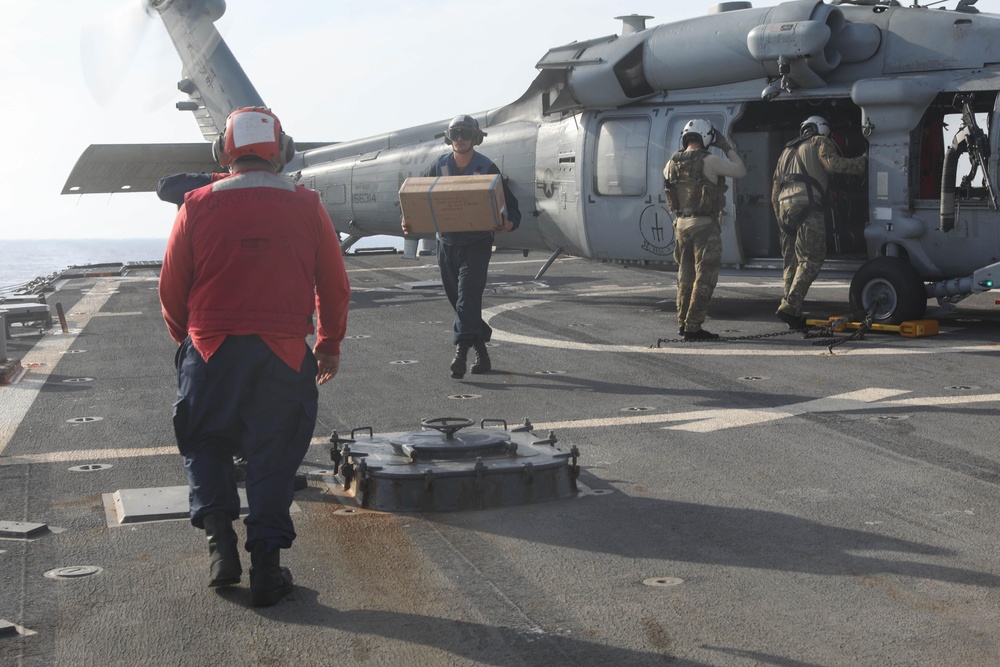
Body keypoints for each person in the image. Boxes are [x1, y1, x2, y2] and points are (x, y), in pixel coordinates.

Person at [158, 107, 350, 607]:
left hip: (209, 349)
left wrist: (192, 343)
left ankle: (221, 547)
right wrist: (328, 343)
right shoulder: (308, 206)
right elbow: (333, 285)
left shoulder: (196, 204)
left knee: (204, 442)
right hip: (283, 356)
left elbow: (171, 290)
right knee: (274, 456)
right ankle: (267, 566)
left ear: (223, 152)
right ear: (281, 152)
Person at [400, 114, 520, 377]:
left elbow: (511, 208)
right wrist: (407, 221)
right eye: (455, 134)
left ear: (475, 138)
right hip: (447, 245)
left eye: (466, 134)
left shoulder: (486, 168)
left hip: (476, 244)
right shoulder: (439, 167)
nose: (460, 139)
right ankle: (482, 352)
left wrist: (508, 223)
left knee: (467, 298)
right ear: (449, 138)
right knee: (459, 301)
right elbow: (416, 196)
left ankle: (460, 354)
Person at [771, 115, 867, 328]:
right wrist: (864, 161)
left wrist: (779, 216)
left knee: (791, 263)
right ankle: (790, 305)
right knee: (811, 259)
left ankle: (791, 309)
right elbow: (832, 165)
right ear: (822, 129)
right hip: (807, 207)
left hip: (783, 210)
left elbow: (775, 188)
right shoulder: (819, 142)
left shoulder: (786, 151)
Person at [663, 119, 747, 341]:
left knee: (685, 276)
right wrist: (726, 146)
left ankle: (682, 323)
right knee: (705, 276)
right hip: (703, 226)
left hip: (680, 224)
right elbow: (740, 170)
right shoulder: (710, 160)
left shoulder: (671, 162)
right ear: (706, 137)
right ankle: (693, 327)